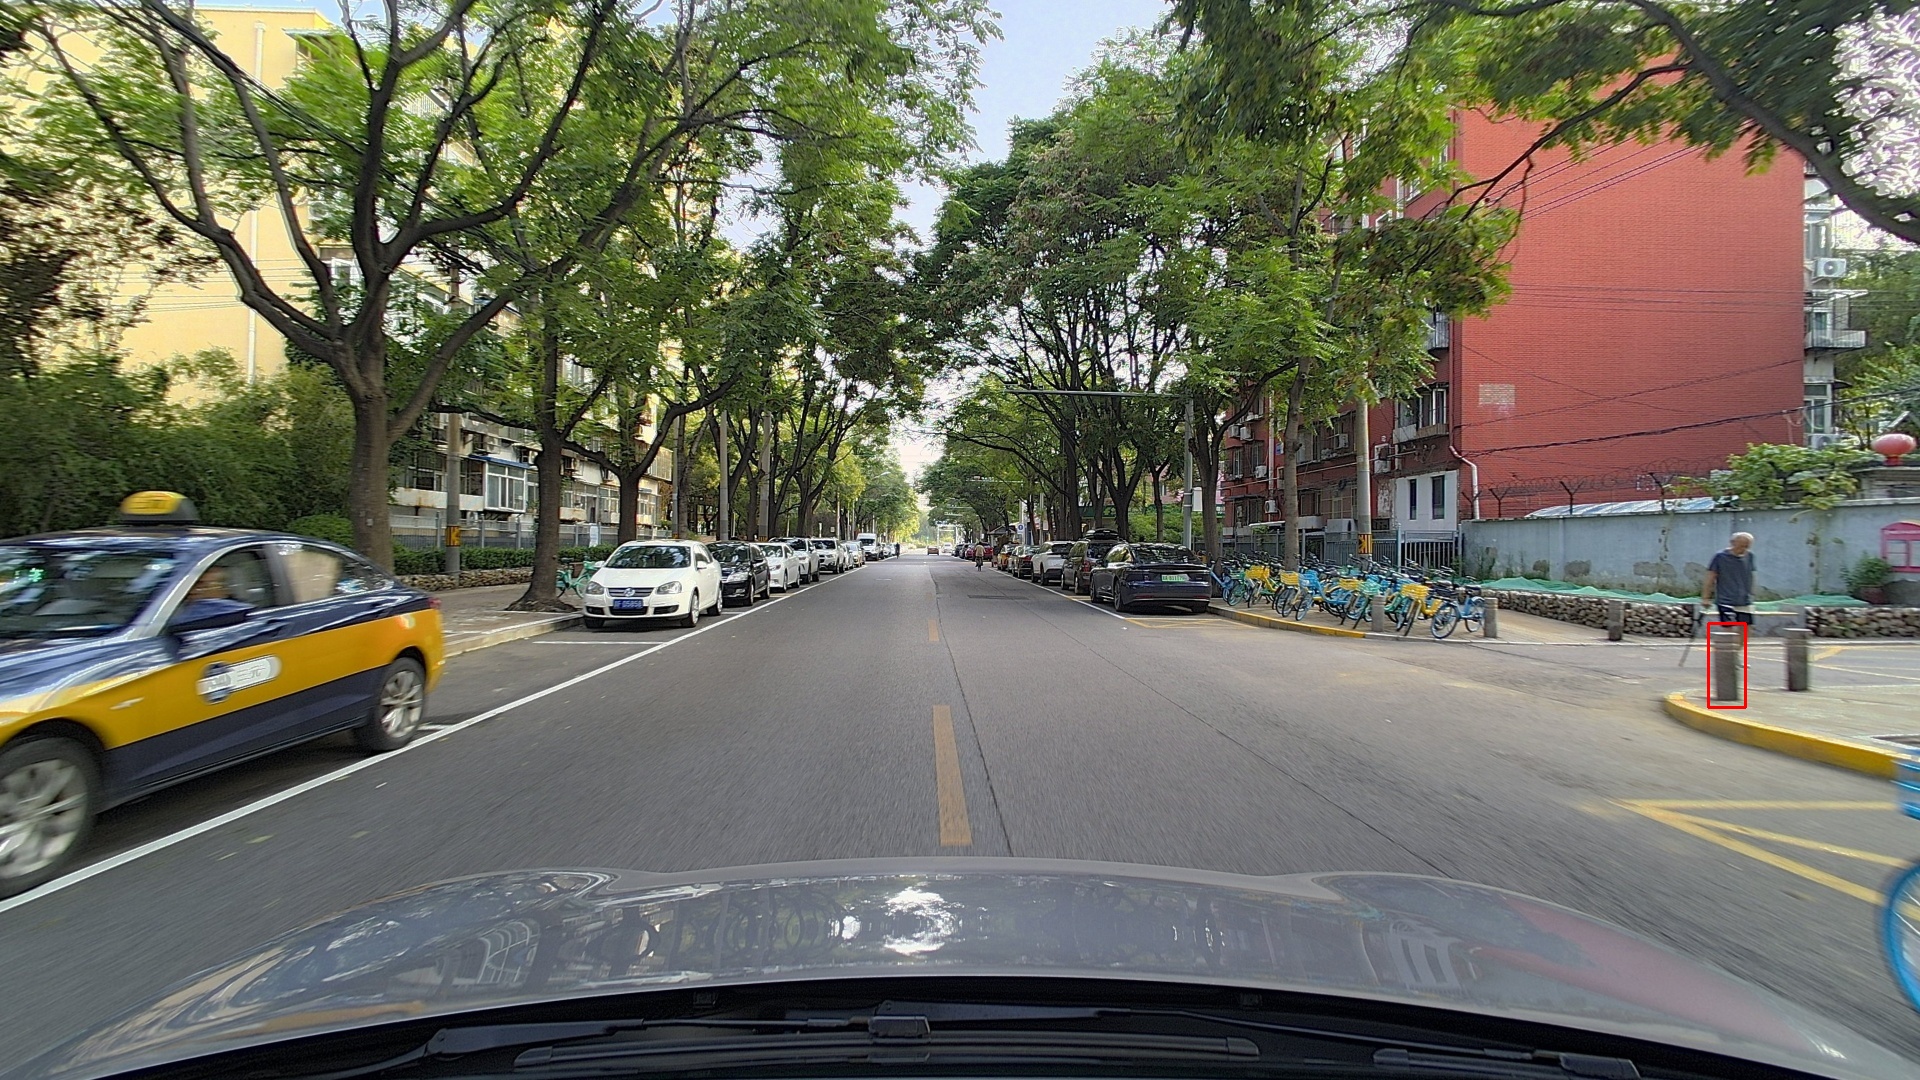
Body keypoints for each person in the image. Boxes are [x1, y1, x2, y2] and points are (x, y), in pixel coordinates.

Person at [1701, 532, 1756, 626]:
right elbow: (1710, 578)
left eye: (1747, 547)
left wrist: (1751, 593)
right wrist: (1706, 598)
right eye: (1741, 546)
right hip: (1725, 600)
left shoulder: (1750, 556)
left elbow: (1750, 575)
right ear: (1732, 543)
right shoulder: (1720, 557)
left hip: (1744, 600)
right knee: (1728, 628)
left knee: (1746, 627)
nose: (1744, 549)